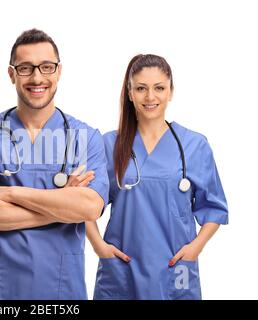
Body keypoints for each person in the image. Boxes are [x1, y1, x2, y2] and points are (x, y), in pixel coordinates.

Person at [0, 29, 109, 299]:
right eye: (26, 68)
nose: (37, 78)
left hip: (60, 291)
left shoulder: (84, 138)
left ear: (58, 72)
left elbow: (91, 207)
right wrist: (63, 205)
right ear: (12, 74)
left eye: (46, 67)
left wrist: (9, 192)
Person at [87, 54, 228, 300]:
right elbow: (82, 205)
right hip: (121, 270)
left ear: (171, 91)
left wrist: (196, 248)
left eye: (159, 88)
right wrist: (98, 245)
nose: (150, 97)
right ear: (130, 93)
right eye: (141, 88)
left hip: (177, 269)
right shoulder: (109, 145)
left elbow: (214, 208)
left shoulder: (194, 145)